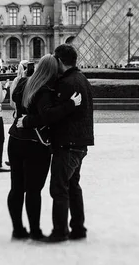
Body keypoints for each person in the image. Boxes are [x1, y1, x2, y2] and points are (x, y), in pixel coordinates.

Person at [7, 55, 82, 241]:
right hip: (36, 145)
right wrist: (71, 104)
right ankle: (35, 231)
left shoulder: (22, 83)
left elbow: (16, 106)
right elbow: (48, 115)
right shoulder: (45, 90)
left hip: (15, 140)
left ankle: (18, 230)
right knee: (33, 190)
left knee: (16, 188)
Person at [44, 44, 94, 243]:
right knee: (73, 186)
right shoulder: (82, 78)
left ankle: (60, 232)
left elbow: (56, 115)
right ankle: (78, 228)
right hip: (80, 143)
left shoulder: (65, 83)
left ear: (58, 60)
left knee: (59, 188)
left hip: (67, 143)